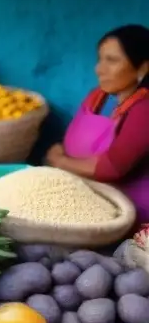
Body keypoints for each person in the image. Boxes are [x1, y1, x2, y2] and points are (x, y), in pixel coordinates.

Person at [47, 25, 149, 223]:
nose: (99, 69)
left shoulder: (144, 109)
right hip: (87, 199)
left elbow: (113, 168)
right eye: (100, 59)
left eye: (112, 60)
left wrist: (60, 161)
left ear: (143, 68)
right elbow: (72, 140)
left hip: (127, 214)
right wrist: (60, 149)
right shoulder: (98, 97)